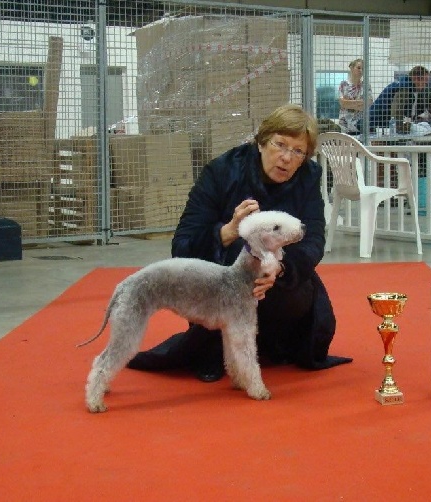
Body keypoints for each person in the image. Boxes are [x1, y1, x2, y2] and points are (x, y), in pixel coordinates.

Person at [128, 104, 353, 381]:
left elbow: (314, 238)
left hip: (283, 283)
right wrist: (229, 231)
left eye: (298, 151)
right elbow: (183, 244)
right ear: (261, 142)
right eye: (279, 145)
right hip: (221, 286)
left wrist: (281, 269)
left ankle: (269, 341)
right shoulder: (221, 171)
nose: (286, 158)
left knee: (287, 282)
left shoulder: (309, 176)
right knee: (241, 253)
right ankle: (217, 346)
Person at [368, 65, 430, 131]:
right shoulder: (404, 89)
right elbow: (396, 113)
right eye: (425, 80)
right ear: (415, 78)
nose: (426, 84)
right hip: (373, 125)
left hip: (374, 122)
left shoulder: (404, 85)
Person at [337, 58, 372, 135]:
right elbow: (343, 103)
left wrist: (349, 104)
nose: (361, 71)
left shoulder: (366, 85)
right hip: (345, 126)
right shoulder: (344, 84)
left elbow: (368, 103)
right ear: (352, 68)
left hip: (361, 125)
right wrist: (360, 102)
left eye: (363, 69)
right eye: (358, 68)